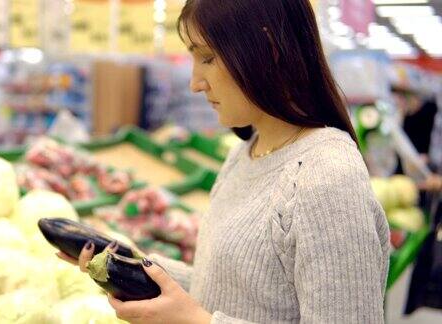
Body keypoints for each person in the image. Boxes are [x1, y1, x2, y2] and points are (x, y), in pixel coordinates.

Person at [58, 0, 390, 323]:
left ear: (268, 49)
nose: (195, 83)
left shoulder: (329, 177)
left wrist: (194, 322)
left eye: (207, 58)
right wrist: (133, 267)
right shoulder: (245, 153)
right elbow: (229, 292)